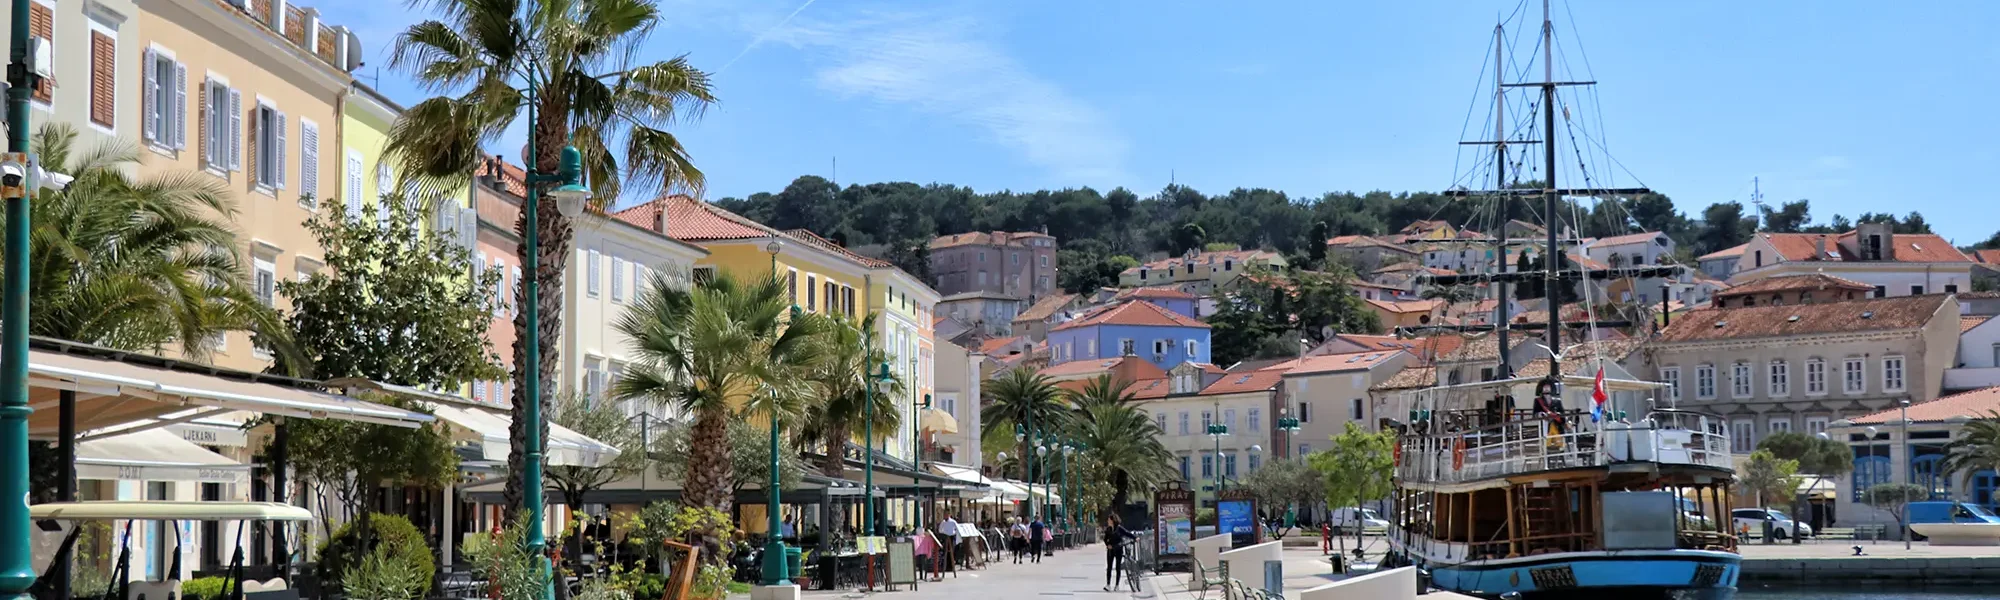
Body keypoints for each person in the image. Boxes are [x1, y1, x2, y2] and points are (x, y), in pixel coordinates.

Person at [1101, 515, 1138, 592]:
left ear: (1112, 520)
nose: (1108, 521)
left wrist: (1135, 537)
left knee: (1118, 567)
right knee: (1109, 567)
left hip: (1118, 549)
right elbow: (1105, 539)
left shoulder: (1119, 528)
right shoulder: (1108, 529)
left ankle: (1117, 585)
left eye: (1109, 520)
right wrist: (1108, 545)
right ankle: (1108, 584)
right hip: (1111, 550)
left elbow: (1127, 533)